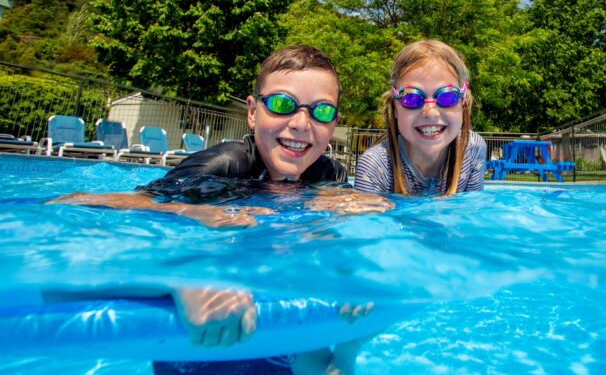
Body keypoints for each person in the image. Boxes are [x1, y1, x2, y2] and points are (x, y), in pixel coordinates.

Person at [50, 45, 390, 375]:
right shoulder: (222, 167)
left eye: (323, 110)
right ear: (253, 112)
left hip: (281, 325)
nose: (302, 123)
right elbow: (73, 204)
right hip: (206, 332)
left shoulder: (328, 175)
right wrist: (185, 265)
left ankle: (343, 353)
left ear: (333, 123)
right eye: (283, 104)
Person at [354, 39, 487, 196]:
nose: (431, 113)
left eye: (447, 96)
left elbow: (470, 215)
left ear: (463, 100)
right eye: (411, 98)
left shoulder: (472, 148)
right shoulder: (375, 166)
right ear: (395, 106)